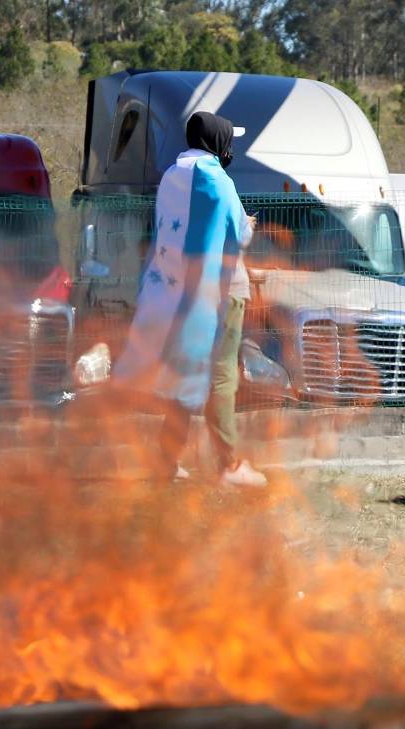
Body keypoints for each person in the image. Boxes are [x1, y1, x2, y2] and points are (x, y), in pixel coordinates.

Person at [113, 111, 266, 488]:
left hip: (177, 292)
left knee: (185, 377)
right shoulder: (218, 178)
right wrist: (248, 223)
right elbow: (240, 234)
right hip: (220, 293)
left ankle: (165, 460)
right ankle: (229, 466)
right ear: (219, 142)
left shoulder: (172, 175)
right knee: (222, 376)